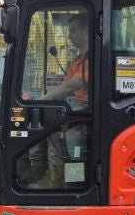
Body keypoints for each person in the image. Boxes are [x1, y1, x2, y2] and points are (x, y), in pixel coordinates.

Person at [25, 13, 90, 189]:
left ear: (86, 31)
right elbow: (64, 88)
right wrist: (39, 102)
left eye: (73, 31)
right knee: (39, 119)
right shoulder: (77, 61)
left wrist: (41, 101)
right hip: (77, 105)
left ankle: (59, 179)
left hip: (88, 108)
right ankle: (37, 167)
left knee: (53, 129)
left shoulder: (92, 59)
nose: (69, 36)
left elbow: (70, 86)